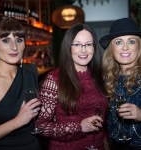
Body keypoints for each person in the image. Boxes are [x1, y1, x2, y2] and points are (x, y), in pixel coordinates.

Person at [36, 23, 109, 150]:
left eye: (88, 44)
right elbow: (41, 127)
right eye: (77, 44)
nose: (83, 50)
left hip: (97, 146)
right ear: (68, 47)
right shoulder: (54, 78)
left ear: (94, 47)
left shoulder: (101, 77)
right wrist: (79, 127)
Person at [0, 16, 42, 150]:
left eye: (19, 40)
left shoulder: (31, 71)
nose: (14, 47)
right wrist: (17, 122)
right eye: (6, 40)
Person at [99, 18, 141, 150]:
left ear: (139, 46)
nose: (125, 47)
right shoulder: (109, 80)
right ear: (112, 49)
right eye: (118, 42)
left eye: (131, 41)